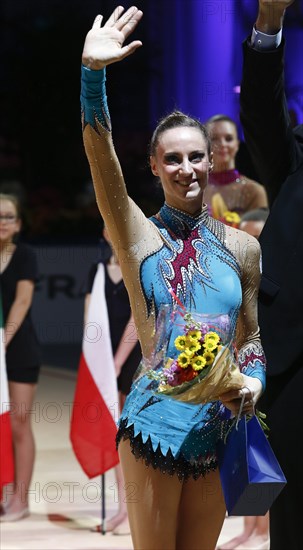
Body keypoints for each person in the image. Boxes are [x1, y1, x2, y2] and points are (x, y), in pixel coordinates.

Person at [80, 7, 266, 549]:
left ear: (212, 162)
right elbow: (101, 161)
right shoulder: (137, 235)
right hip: (152, 431)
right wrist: (93, 77)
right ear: (155, 166)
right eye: (172, 159)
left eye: (196, 157)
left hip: (218, 432)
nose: (186, 168)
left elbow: (249, 337)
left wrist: (252, 381)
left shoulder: (244, 249)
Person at [240, 1, 303, 549]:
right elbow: (262, 112)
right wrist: (269, 22)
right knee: (294, 513)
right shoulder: (294, 161)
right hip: (297, 361)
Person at [218, 207, 270, 550]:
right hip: (242, 367)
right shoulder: (239, 276)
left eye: (259, 238)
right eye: (248, 237)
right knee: (248, 448)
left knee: (264, 453)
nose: (253, 244)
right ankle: (251, 527)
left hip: (267, 372)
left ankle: (263, 531)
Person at [86, 226, 141, 535]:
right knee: (116, 434)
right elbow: (90, 319)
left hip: (132, 359)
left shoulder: (137, 266)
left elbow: (137, 319)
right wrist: (100, 362)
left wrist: (117, 363)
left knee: (131, 437)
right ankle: (122, 508)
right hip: (104, 359)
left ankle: (135, 509)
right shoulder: (95, 270)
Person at [0, 193, 41, 522]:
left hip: (19, 350)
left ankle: (20, 500)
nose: (3, 222)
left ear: (19, 224)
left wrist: (2, 341)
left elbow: (22, 302)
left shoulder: (25, 255)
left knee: (18, 424)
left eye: (9, 216)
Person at [204, 114, 268, 219]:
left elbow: (259, 233)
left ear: (237, 144)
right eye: (214, 138)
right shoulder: (194, 190)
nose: (222, 144)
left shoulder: (254, 191)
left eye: (228, 139)